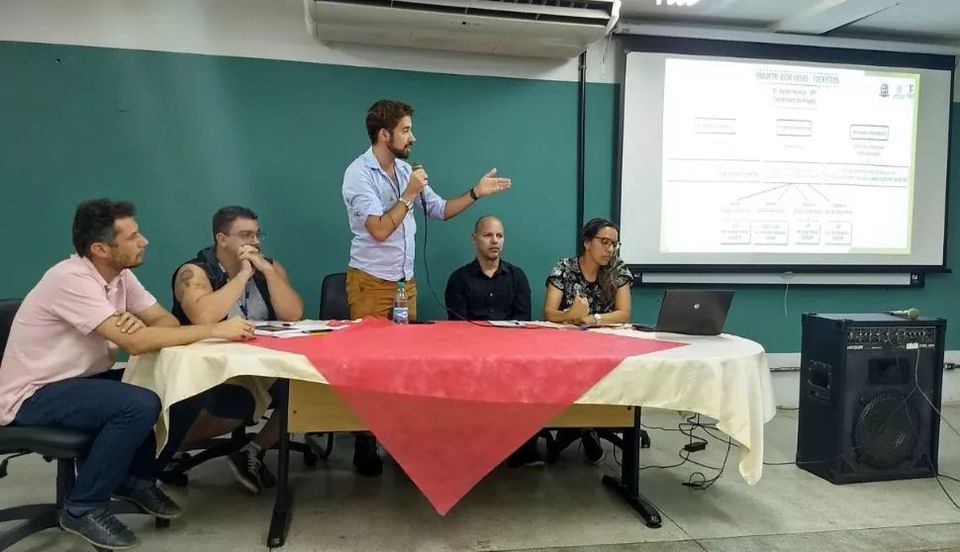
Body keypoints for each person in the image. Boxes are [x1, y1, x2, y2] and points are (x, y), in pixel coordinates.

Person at [0, 199, 253, 550]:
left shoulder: (121, 277)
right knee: (137, 404)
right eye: (133, 236)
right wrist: (213, 331)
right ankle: (82, 506)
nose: (144, 240)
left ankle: (136, 480)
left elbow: (166, 323)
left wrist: (138, 327)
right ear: (101, 248)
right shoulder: (70, 279)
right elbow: (136, 344)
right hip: (33, 394)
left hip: (82, 382)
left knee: (186, 388)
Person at [340, 99, 512, 475]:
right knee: (370, 370)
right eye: (405, 130)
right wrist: (408, 194)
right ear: (384, 134)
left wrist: (476, 193)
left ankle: (400, 442)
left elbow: (441, 210)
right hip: (370, 283)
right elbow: (381, 230)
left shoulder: (405, 171)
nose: (412, 137)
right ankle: (366, 444)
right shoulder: (358, 175)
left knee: (404, 367)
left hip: (405, 286)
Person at [171, 206, 304, 494]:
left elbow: (292, 314)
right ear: (222, 239)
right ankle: (163, 450)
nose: (255, 243)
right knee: (236, 404)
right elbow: (204, 317)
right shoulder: (194, 271)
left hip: (262, 362)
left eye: (257, 235)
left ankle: (252, 451)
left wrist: (267, 271)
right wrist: (241, 276)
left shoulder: (268, 267)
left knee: (304, 388)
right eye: (245, 235)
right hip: (210, 370)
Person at [444, 215, 542, 466]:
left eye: (499, 236)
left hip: (510, 354)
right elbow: (458, 326)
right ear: (474, 238)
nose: (494, 241)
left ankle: (523, 447)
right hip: (470, 355)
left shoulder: (517, 277)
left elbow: (523, 322)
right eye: (488, 235)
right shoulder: (458, 279)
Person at [543, 217, 634, 464]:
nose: (610, 249)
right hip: (567, 347)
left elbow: (624, 313)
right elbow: (550, 313)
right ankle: (583, 427)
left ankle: (584, 427)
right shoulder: (564, 268)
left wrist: (590, 318)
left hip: (604, 344)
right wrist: (569, 316)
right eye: (604, 242)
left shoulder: (618, 270)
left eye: (615, 244)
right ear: (586, 242)